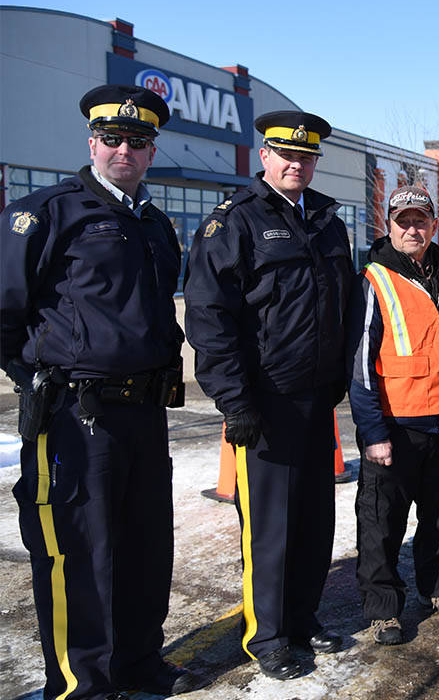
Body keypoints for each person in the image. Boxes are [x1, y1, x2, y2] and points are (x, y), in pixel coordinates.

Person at [0, 85, 205, 697]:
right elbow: (6, 309)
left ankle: (140, 663)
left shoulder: (155, 224)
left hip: (144, 412)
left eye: (137, 141)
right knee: (78, 555)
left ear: (151, 151)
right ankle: (82, 683)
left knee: (145, 546)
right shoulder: (47, 212)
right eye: (112, 138)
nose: (124, 149)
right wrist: (31, 375)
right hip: (74, 414)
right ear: (92, 141)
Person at [184, 111, 355, 680]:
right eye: (285, 153)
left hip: (316, 397)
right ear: (264, 156)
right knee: (271, 525)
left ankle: (303, 618)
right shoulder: (235, 222)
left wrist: (338, 379)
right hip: (265, 401)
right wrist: (235, 401)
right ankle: (269, 635)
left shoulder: (329, 220)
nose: (295, 163)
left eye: (305, 156)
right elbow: (210, 319)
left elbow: (344, 305)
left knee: (314, 519)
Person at [348, 185, 439, 645]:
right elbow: (361, 367)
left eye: (421, 220)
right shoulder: (375, 279)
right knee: (382, 523)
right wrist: (373, 432)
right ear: (389, 225)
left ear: (434, 223)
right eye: (403, 221)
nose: (412, 229)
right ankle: (383, 610)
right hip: (395, 429)